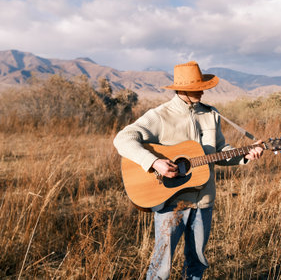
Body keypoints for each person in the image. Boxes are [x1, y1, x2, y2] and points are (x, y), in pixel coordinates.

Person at [113, 61, 264, 279]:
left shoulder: (211, 114)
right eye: (197, 88)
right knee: (161, 265)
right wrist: (155, 162)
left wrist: (244, 155)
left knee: (197, 262)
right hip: (171, 202)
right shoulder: (160, 115)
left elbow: (220, 151)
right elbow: (123, 139)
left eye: (202, 87)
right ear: (181, 89)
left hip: (204, 200)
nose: (202, 91)